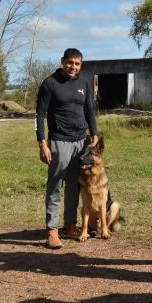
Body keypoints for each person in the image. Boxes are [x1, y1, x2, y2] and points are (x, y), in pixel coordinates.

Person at [35, 48, 109, 249]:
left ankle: (69, 225)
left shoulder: (84, 82)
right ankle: (52, 230)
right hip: (59, 141)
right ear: (62, 61)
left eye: (77, 64)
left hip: (81, 143)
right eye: (69, 63)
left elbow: (89, 110)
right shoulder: (50, 83)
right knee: (56, 185)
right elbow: (39, 115)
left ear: (81, 65)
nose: (73, 67)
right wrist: (42, 143)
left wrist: (94, 134)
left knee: (75, 184)